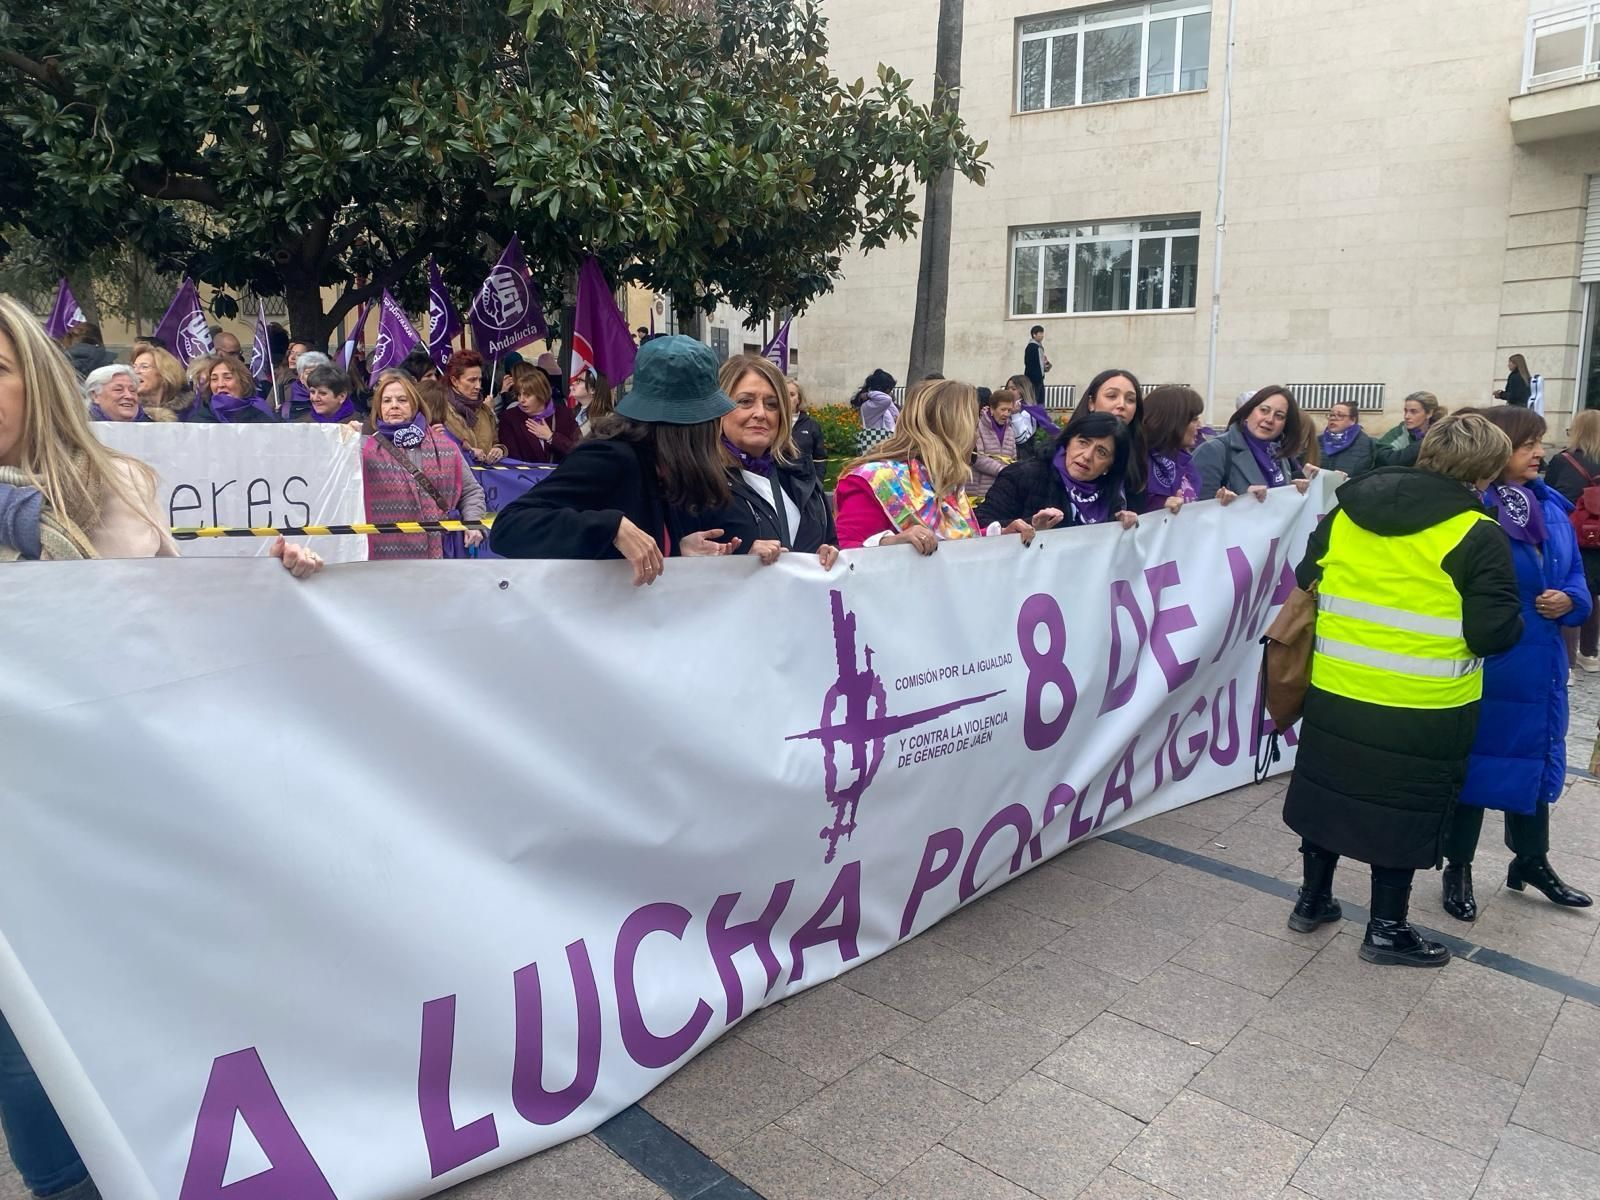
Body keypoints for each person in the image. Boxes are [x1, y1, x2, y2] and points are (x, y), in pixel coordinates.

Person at [0, 294, 320, 1200]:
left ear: (35, 377)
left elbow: (169, 644)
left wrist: (269, 589)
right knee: (32, 1082)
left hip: (113, 830)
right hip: (12, 858)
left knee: (159, 1042)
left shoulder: (120, 487)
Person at [1283, 413, 1524, 967]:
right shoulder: (1475, 532)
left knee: (1329, 793)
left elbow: (1305, 577)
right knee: (1404, 812)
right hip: (1424, 708)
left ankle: (1312, 901)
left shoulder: (1348, 509)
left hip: (1338, 690)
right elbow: (1493, 632)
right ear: (1485, 472)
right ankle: (1387, 930)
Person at [1442, 405, 1593, 919]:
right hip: (1492, 661)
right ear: (1499, 447)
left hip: (1541, 664)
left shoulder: (1550, 506)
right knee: (1476, 764)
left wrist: (1570, 600)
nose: (1540, 452)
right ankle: (1456, 866)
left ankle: (1530, 861)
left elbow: (1576, 580)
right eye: (1529, 443)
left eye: (1542, 442)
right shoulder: (1472, 510)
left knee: (1534, 760)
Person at [488, 335, 742, 583]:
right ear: (693, 424)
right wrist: (611, 527)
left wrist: (678, 549)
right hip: (591, 619)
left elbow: (644, 546)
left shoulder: (664, 465)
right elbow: (509, 527)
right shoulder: (609, 458)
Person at [834, 378, 1036, 552]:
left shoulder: (942, 480)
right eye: (971, 423)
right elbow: (846, 556)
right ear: (948, 429)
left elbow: (950, 543)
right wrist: (892, 544)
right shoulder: (873, 481)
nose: (974, 434)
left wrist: (999, 535)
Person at [706, 354, 838, 568]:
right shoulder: (700, 485)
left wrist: (828, 553)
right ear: (718, 408)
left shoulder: (801, 477)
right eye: (745, 401)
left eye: (772, 404)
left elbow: (830, 541)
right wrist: (742, 562)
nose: (760, 413)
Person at [362, 369, 487, 560]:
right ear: (378, 407)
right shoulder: (363, 448)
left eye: (402, 400)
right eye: (386, 401)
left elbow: (471, 491)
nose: (394, 406)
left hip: (440, 553)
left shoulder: (447, 447)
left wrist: (473, 522)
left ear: (415, 405)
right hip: (385, 558)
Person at [976, 408, 1140, 532]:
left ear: (1110, 465)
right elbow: (980, 524)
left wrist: (1122, 527)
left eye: (1101, 452)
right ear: (1068, 441)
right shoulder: (1023, 475)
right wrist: (1026, 527)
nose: (1087, 456)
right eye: (1083, 442)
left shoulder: (1111, 498)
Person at [1544, 408, 1600, 673]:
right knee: (1594, 593)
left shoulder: (1563, 460)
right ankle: (1590, 653)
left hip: (1572, 532)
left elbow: (1550, 495)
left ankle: (1566, 662)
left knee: (1572, 588)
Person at [1194, 386, 1312, 498]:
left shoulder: (1279, 455)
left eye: (1279, 416)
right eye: (1264, 410)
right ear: (1247, 412)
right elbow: (1198, 511)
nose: (1270, 419)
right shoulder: (1213, 451)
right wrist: (1243, 501)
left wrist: (1295, 491)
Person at [1072, 369, 1146, 503]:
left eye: (1130, 399)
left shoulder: (1140, 457)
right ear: (1091, 403)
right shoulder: (1057, 454)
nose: (1121, 405)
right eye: (1112, 396)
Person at [1140, 385, 1204, 513]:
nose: (1200, 426)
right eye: (1194, 419)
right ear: (1173, 422)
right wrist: (1159, 505)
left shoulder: (1186, 463)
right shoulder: (1138, 461)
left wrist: (1220, 502)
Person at [497, 367, 580, 464]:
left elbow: (578, 452)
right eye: (519, 394)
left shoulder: (565, 415)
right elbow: (512, 458)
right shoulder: (510, 418)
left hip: (560, 477)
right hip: (525, 477)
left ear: (541, 394)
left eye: (527, 395)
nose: (521, 400)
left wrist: (551, 437)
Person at [441, 349, 504, 463]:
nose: (478, 386)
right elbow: (436, 449)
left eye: (480, 380)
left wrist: (499, 449)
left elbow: (495, 441)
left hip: (485, 478)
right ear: (454, 380)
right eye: (472, 380)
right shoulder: (441, 411)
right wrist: (468, 452)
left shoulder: (485, 411)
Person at [195, 354, 277, 423]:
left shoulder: (260, 413)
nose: (220, 385)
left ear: (243, 382)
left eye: (227, 378)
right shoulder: (200, 420)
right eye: (214, 379)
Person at [971, 385, 1017, 502]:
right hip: (979, 491)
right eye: (1003, 409)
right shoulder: (977, 427)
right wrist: (1002, 470)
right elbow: (977, 458)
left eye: (1009, 410)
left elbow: (1013, 459)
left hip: (1001, 491)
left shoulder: (1010, 431)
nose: (1006, 414)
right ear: (992, 409)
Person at [1375, 391, 1444, 468]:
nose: (1407, 416)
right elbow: (1385, 458)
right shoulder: (1399, 432)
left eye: (1413, 411)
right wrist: (1424, 443)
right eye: (1406, 411)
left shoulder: (1443, 435)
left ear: (1429, 413)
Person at [129, 341, 194, 422]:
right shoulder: (130, 410)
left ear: (164, 373)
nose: (136, 371)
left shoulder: (191, 410)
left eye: (144, 367)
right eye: (134, 367)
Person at [1317, 400, 1376, 475]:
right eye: (1331, 415)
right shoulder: (1316, 441)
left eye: (1340, 415)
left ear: (1353, 420)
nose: (1333, 418)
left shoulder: (1366, 443)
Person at [787, 377, 827, 482]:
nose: (787, 398)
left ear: (798, 399)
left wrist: (817, 483)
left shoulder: (812, 426)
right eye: (783, 394)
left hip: (805, 483)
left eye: (791, 395)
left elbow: (820, 459)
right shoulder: (772, 423)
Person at [83, 364, 152, 422]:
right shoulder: (79, 429)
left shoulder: (154, 428)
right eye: (118, 390)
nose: (129, 396)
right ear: (95, 396)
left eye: (132, 390)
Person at [571, 368, 615, 438]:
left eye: (579, 381)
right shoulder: (571, 413)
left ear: (593, 390)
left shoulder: (608, 419)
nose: (573, 383)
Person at [1023, 324, 1050, 407]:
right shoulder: (1032, 347)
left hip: (1039, 379)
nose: (1042, 336)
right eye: (1040, 333)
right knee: (1035, 401)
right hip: (1034, 380)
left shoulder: (1039, 347)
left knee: (1040, 401)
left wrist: (1046, 365)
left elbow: (1041, 364)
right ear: (1034, 335)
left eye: (1042, 333)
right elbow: (1030, 364)